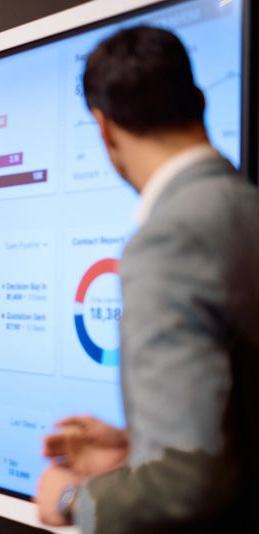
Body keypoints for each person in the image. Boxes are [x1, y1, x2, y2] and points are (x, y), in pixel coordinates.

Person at [35, 26, 259, 533]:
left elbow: (189, 488)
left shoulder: (168, 240)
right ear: (198, 101)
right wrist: (139, 445)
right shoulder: (244, 210)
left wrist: (73, 497)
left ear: (104, 129)